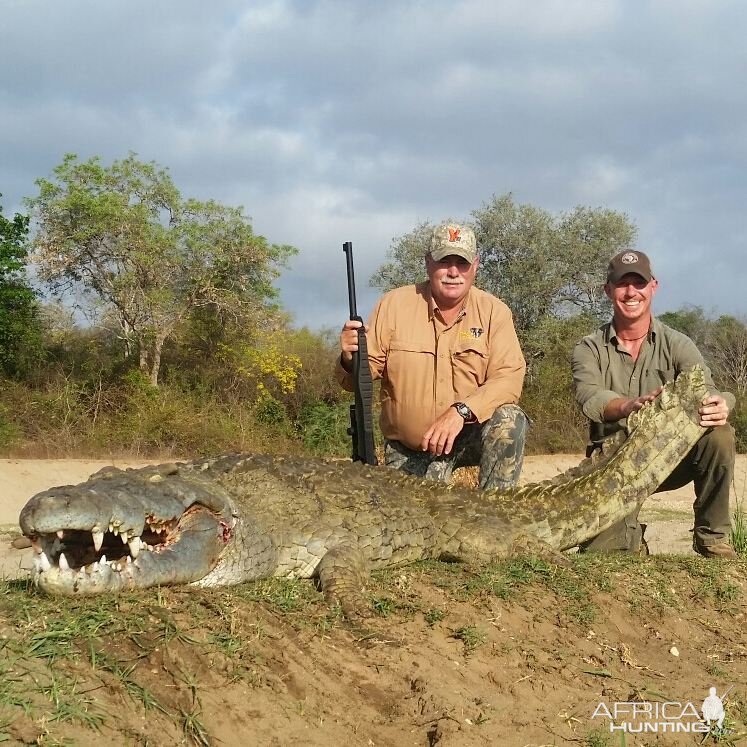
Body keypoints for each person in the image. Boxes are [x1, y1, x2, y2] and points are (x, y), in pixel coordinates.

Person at [336, 222, 528, 491]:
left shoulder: (495, 312)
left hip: (468, 438)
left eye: (461, 263)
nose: (452, 272)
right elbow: (361, 376)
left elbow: (509, 378)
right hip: (410, 449)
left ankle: (496, 513)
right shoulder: (393, 305)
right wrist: (349, 357)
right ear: (428, 263)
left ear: (475, 265)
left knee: (510, 419)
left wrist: (461, 411)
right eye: (443, 261)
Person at [572, 249, 737, 558]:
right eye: (622, 284)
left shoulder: (678, 343)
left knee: (720, 434)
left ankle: (712, 538)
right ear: (609, 290)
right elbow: (590, 397)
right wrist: (629, 406)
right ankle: (631, 539)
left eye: (639, 283)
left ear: (653, 287)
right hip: (612, 467)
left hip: (668, 459)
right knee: (607, 557)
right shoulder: (588, 347)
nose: (631, 292)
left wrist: (724, 402)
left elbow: (710, 390)